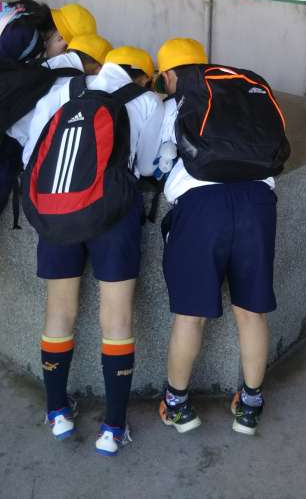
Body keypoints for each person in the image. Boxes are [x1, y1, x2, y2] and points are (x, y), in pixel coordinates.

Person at [22, 46, 163, 456]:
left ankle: (57, 412)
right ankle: (113, 428)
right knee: (117, 317)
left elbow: (33, 154)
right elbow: (149, 165)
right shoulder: (146, 101)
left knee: (58, 311)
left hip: (58, 211)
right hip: (113, 215)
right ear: (144, 76)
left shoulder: (62, 92)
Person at [156, 38, 283, 437]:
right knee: (251, 312)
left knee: (190, 316)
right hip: (257, 202)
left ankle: (178, 406)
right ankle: (249, 406)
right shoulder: (241, 92)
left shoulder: (176, 104)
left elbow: (156, 162)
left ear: (170, 75)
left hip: (202, 207)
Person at [0, 33, 111, 220]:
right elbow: (44, 120)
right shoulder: (71, 82)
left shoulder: (45, 63)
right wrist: (29, 164)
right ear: (97, 66)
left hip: (5, 126)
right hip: (16, 144)